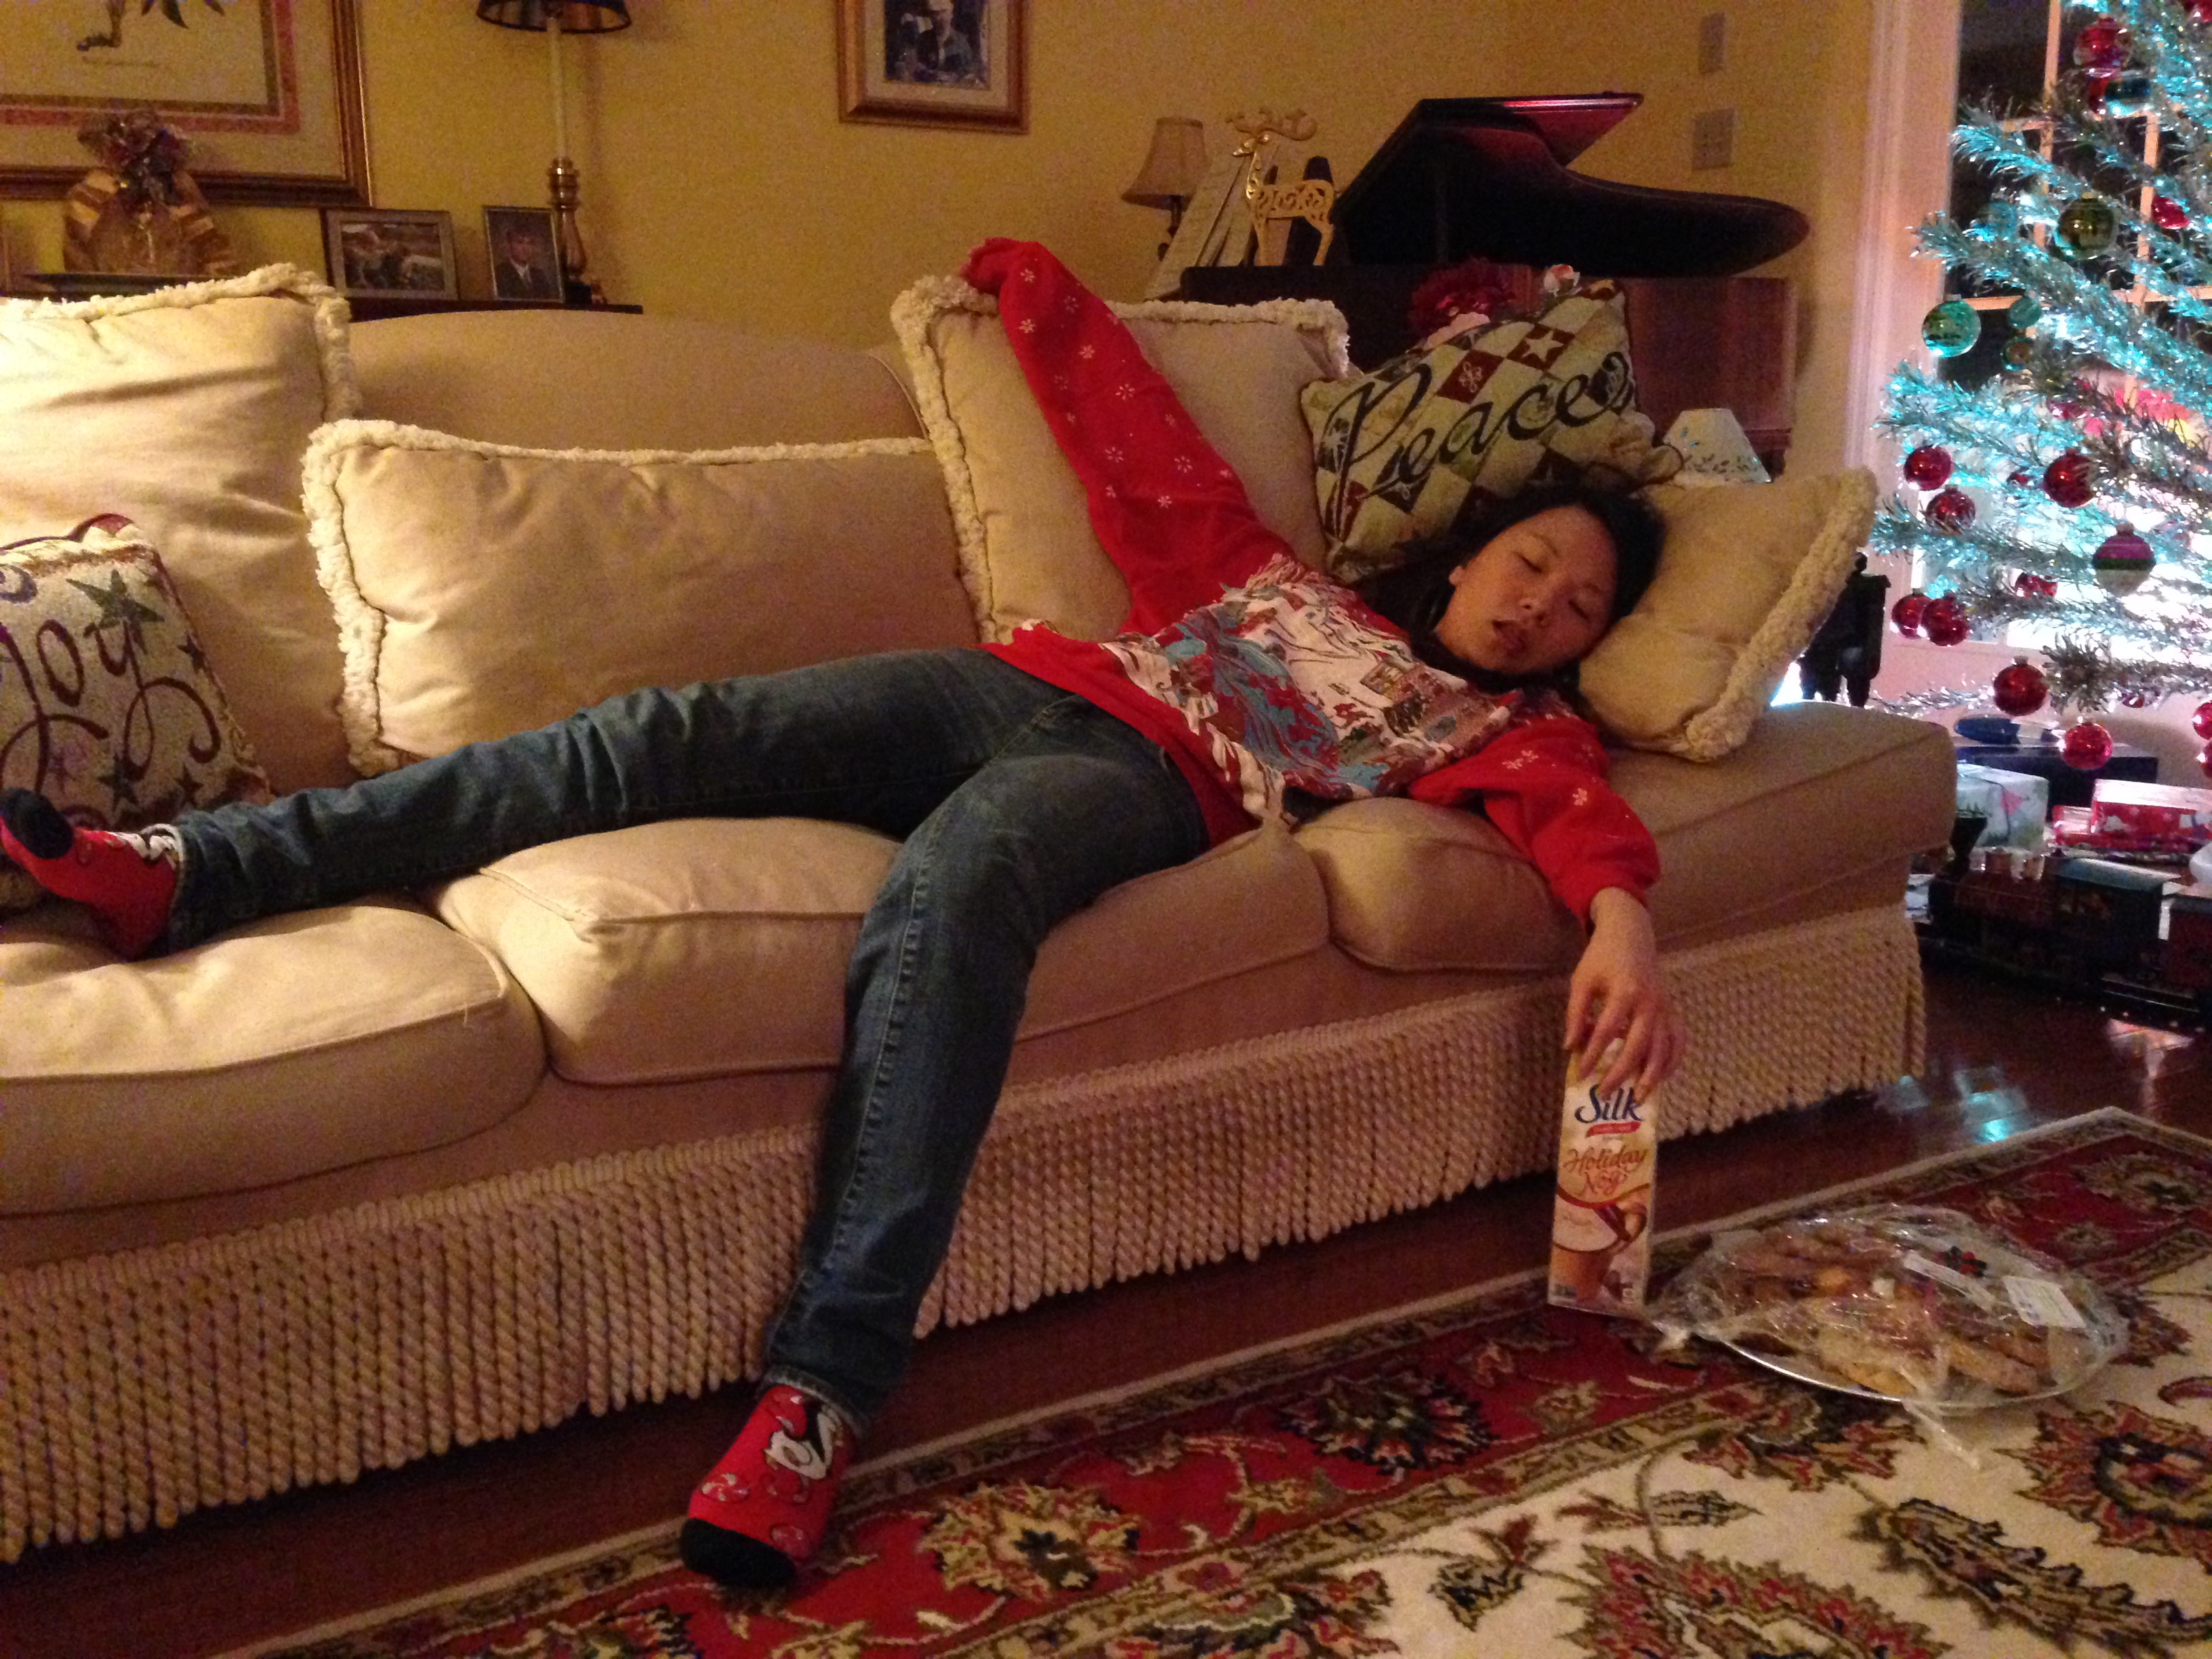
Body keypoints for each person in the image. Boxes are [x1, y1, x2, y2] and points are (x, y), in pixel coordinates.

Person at [0, 239, 1684, 1591]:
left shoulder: (1498, 729)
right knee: (653, 735)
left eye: (1581, 605)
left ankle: (820, 1392)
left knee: (954, 890)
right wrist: (1035, 290)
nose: (1542, 602)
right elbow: (1147, 458)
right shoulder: (1276, 581)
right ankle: (199, 870)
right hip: (1012, 683)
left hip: (1149, 778)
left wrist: (1620, 924)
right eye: (1534, 560)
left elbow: (1579, 821)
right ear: (1470, 553)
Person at [493, 218, 560, 300]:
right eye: (520, 242)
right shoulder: (499, 274)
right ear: (509, 245)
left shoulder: (539, 276)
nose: (526, 248)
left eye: (530, 243)